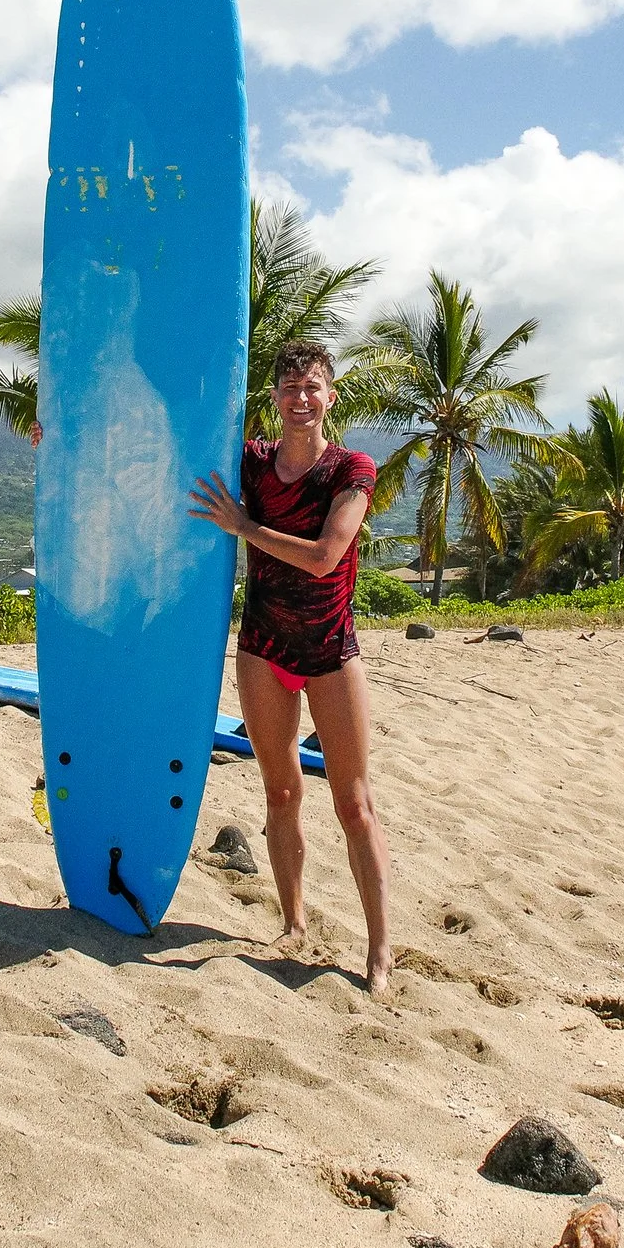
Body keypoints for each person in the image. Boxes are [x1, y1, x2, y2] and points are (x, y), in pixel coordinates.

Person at [188, 339, 393, 993]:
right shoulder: (248, 463)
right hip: (263, 648)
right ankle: (295, 922)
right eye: (289, 387)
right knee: (280, 794)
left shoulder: (350, 470)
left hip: (331, 652)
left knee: (354, 804)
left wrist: (244, 526)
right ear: (273, 398)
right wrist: (56, 433)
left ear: (330, 396)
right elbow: (161, 453)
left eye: (312, 386)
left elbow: (326, 555)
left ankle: (380, 950)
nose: (301, 398)